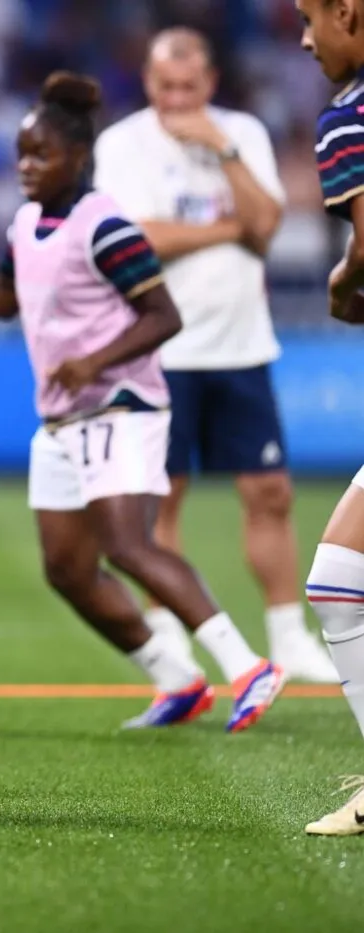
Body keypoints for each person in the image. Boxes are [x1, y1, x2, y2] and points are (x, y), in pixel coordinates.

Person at [0, 72, 285, 733]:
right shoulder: (25, 224)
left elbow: (163, 315)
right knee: (67, 569)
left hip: (121, 406)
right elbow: (2, 299)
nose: (27, 166)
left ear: (78, 156)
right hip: (63, 417)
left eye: (41, 154)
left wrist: (96, 361)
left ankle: (248, 666)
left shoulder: (106, 227)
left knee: (127, 545)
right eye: (22, 154)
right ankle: (176, 678)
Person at [93, 28, 336, 681]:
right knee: (163, 499)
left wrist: (222, 151)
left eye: (189, 87)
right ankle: (171, 634)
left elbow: (268, 224)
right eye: (165, 86)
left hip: (241, 345)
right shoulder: (122, 144)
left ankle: (288, 636)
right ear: (147, 82)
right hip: (159, 351)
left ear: (210, 82)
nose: (177, 99)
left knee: (270, 492)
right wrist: (229, 227)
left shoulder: (242, 133)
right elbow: (136, 238)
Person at [295, 0, 364, 835]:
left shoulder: (349, 118)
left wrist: (343, 283)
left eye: (310, 17)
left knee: (340, 581)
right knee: (340, 578)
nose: (307, 40)